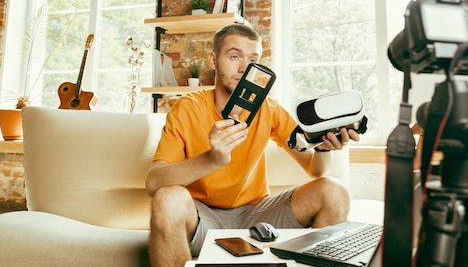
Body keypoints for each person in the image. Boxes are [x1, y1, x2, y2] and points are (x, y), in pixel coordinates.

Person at [145, 24, 361, 267]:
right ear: (214, 60)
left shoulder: (268, 108)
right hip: (201, 217)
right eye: (234, 56)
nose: (243, 68)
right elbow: (154, 183)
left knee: (334, 191)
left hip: (257, 215)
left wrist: (323, 147)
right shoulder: (188, 108)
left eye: (253, 59)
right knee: (167, 199)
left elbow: (316, 171)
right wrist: (212, 158)